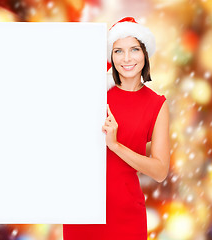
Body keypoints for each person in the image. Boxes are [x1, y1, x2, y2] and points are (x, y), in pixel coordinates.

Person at [63, 16, 170, 240]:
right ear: (110, 56)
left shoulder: (157, 104)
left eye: (134, 49)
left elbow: (160, 171)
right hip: (83, 213)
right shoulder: (92, 96)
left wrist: (115, 145)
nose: (127, 58)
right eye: (118, 51)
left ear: (145, 54)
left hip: (126, 217)